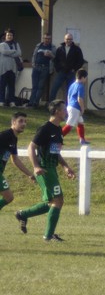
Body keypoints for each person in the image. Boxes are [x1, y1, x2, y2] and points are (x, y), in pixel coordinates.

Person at [15, 100, 76, 242]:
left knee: (52, 202)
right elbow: (31, 147)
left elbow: (55, 152)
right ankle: (48, 236)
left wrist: (65, 166)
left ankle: (23, 214)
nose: (66, 112)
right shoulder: (45, 128)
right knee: (58, 200)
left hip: (52, 169)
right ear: (56, 111)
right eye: (64, 109)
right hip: (44, 169)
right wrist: (36, 166)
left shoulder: (58, 129)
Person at [0, 112, 36, 226]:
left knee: (8, 197)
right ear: (13, 122)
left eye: (25, 121)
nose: (24, 124)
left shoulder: (13, 138)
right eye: (21, 121)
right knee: (8, 196)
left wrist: (29, 174)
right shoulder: (5, 135)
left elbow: (15, 159)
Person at [50, 33, 84, 102]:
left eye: (70, 39)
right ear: (64, 39)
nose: (69, 41)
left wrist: (74, 69)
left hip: (71, 73)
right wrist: (58, 69)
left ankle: (69, 106)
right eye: (67, 39)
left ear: (72, 40)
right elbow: (56, 60)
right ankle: (51, 104)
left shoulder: (77, 49)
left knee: (71, 90)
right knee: (54, 88)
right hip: (61, 72)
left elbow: (81, 61)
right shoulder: (60, 49)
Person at [61, 69, 90, 145]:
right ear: (82, 77)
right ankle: (57, 138)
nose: (86, 80)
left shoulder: (72, 85)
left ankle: (82, 139)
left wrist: (68, 105)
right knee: (69, 125)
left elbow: (68, 96)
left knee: (80, 123)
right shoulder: (80, 86)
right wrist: (82, 108)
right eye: (85, 78)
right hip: (75, 108)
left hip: (70, 106)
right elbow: (79, 99)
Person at [28, 33, 56, 108]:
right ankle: (31, 102)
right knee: (34, 86)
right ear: (43, 39)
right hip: (36, 67)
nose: (47, 40)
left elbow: (55, 58)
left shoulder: (52, 47)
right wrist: (33, 64)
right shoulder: (38, 45)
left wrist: (50, 55)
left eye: (48, 39)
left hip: (45, 68)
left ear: (50, 39)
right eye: (45, 38)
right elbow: (34, 55)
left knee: (40, 87)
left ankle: (35, 103)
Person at [0, 28, 22, 107]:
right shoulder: (2, 44)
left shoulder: (16, 44)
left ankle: (11, 102)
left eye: (11, 35)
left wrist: (11, 53)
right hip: (3, 69)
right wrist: (13, 51)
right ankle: (1, 101)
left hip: (13, 68)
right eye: (8, 35)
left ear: (13, 36)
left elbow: (19, 53)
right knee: (2, 86)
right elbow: (4, 52)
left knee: (11, 86)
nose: (9, 36)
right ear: (5, 36)